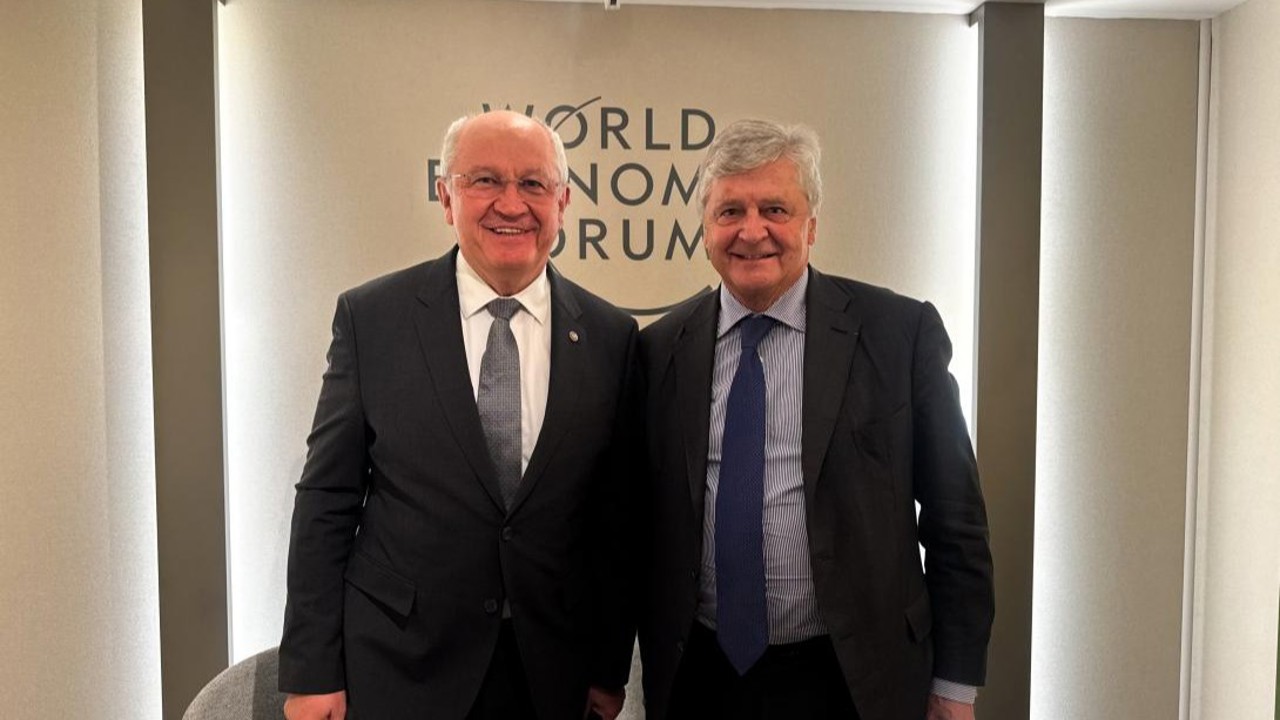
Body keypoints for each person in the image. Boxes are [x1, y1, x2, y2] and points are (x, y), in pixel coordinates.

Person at [278, 110, 640, 720]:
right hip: (401, 665)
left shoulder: (612, 337)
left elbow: (617, 520)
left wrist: (608, 667)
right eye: (485, 180)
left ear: (563, 202)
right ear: (446, 197)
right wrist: (313, 672)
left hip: (552, 673)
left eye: (533, 183)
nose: (511, 203)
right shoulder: (374, 320)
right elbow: (327, 499)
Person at [637, 119, 995, 720]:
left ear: (811, 225)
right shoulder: (659, 350)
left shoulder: (899, 335)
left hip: (855, 676)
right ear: (705, 229)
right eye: (730, 211)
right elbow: (636, 526)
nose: (752, 231)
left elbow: (955, 520)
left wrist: (955, 685)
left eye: (775, 209)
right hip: (701, 676)